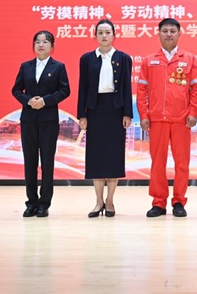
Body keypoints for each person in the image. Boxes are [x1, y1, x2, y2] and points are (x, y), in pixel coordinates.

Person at [138, 18, 197, 218]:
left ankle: (179, 201)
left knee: (182, 163)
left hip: (181, 119)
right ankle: (158, 202)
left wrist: (193, 113)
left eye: (172, 31)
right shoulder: (149, 60)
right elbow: (141, 90)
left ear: (179, 34)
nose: (168, 34)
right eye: (164, 31)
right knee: (157, 163)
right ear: (158, 34)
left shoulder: (190, 59)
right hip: (157, 119)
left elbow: (196, 90)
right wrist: (144, 114)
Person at [77, 19, 133, 218]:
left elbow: (127, 87)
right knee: (96, 156)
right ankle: (98, 201)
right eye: (100, 32)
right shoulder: (87, 59)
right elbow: (82, 88)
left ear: (114, 35)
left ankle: (110, 201)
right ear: (95, 35)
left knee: (113, 156)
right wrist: (82, 114)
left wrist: (127, 113)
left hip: (115, 110)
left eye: (107, 32)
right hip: (95, 109)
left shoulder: (124, 58)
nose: (104, 36)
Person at [12, 30, 71, 218]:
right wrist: (29, 100)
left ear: (52, 46)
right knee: (29, 162)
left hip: (48, 120)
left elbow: (65, 90)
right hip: (28, 119)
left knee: (47, 162)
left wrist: (45, 101)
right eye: (37, 42)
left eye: (45, 42)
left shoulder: (58, 67)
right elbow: (16, 90)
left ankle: (44, 204)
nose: (41, 45)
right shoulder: (26, 66)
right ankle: (31, 202)